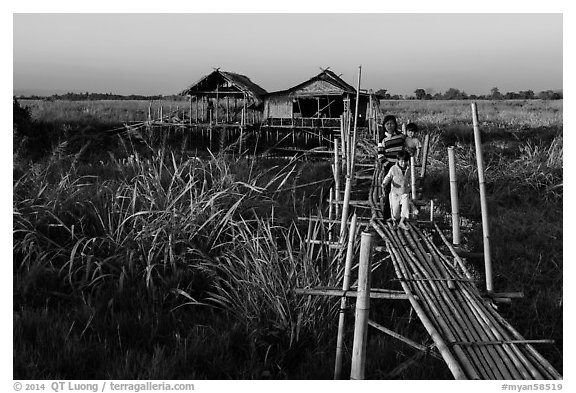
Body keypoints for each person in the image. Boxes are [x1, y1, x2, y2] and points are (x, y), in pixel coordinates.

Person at [377, 115, 405, 219]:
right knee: (389, 191)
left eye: (392, 123)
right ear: (384, 126)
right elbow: (380, 156)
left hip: (401, 167)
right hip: (389, 167)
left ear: (395, 124)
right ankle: (387, 215)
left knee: (403, 190)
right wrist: (390, 167)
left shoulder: (401, 136)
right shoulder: (382, 139)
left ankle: (400, 215)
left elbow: (406, 147)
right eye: (387, 124)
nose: (390, 126)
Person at [381, 150, 413, 230]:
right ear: (398, 160)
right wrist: (384, 183)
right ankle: (395, 222)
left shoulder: (409, 169)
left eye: (405, 161)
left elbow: (413, 178)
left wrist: (411, 185)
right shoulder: (393, 169)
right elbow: (388, 177)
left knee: (405, 208)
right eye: (401, 161)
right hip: (395, 192)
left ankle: (402, 222)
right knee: (395, 212)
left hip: (405, 192)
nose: (403, 163)